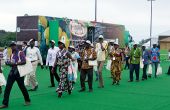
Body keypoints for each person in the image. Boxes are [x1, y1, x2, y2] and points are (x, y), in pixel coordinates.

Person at [0, 42, 31, 109]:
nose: (12, 47)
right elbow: (12, 64)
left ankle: (27, 100)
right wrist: (9, 63)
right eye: (11, 46)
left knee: (22, 87)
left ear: (15, 46)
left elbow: (24, 61)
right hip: (12, 72)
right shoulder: (12, 54)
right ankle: (5, 103)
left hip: (19, 73)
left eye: (13, 46)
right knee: (7, 88)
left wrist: (15, 63)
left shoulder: (20, 52)